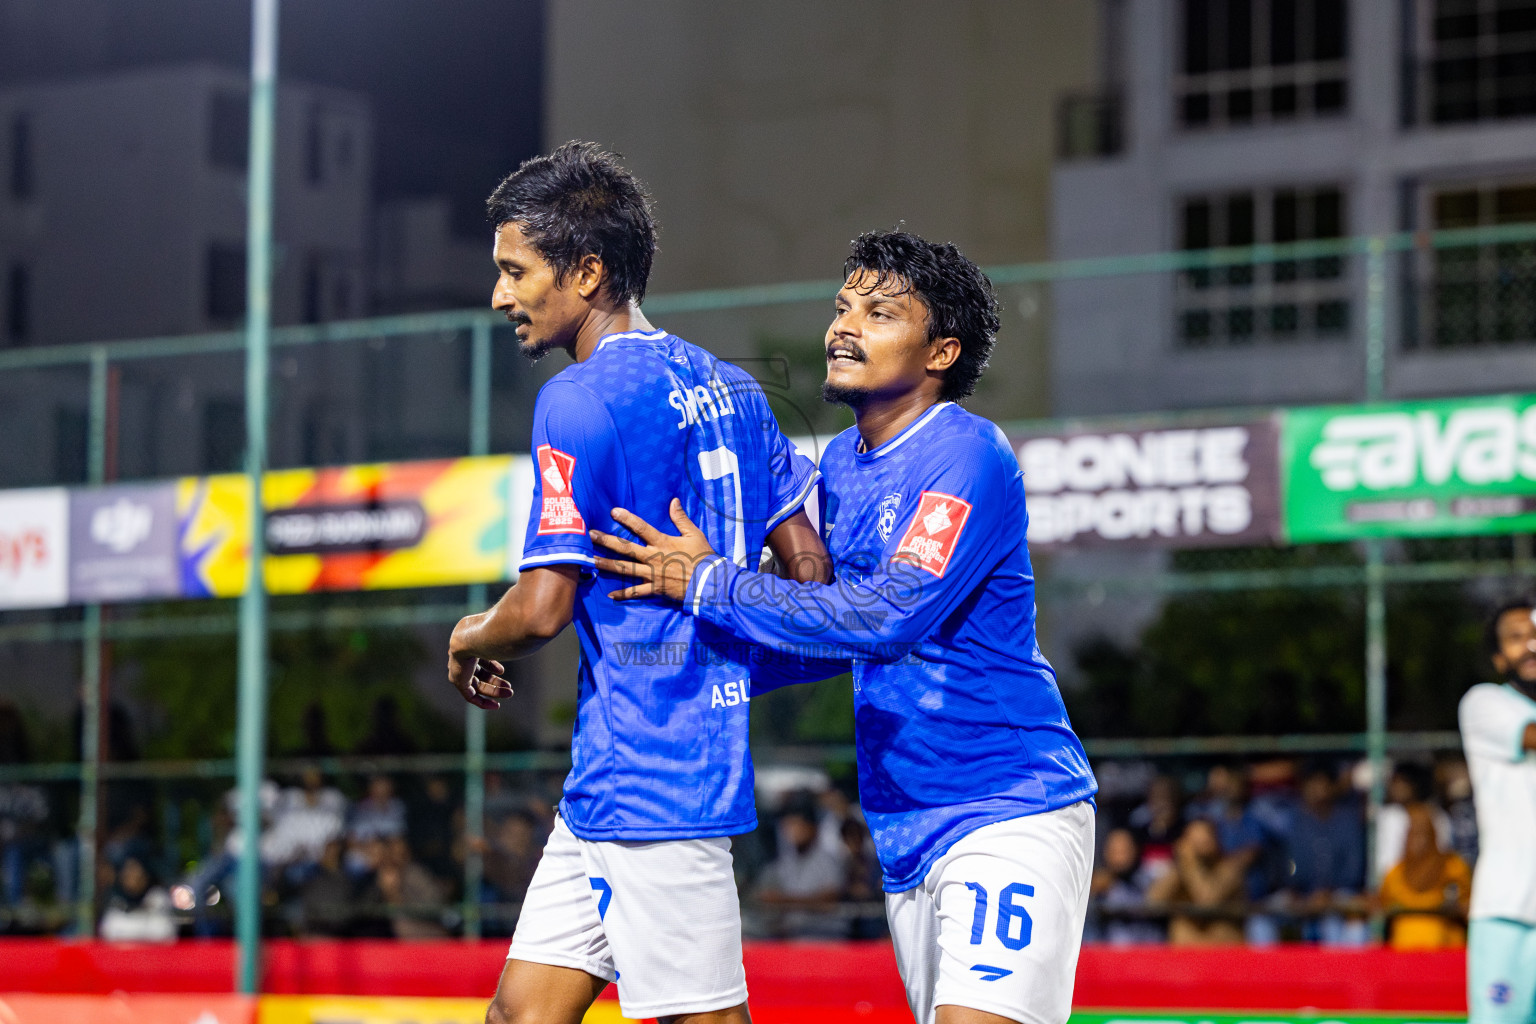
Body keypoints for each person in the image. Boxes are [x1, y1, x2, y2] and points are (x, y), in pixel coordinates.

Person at [594, 230, 1098, 1024]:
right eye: (842, 307)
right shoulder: (840, 469)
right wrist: (676, 659)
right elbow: (820, 633)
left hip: (1010, 806)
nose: (843, 325)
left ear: (941, 352)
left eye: (879, 312)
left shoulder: (968, 452)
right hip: (904, 832)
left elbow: (888, 616)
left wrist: (712, 583)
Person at [445, 141, 828, 1024]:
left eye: (516, 272)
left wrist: (468, 636)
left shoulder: (579, 399)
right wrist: (725, 622)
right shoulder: (734, 386)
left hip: (660, 781)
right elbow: (810, 574)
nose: (501, 296)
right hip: (613, 781)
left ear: (585, 272)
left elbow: (540, 610)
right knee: (518, 1016)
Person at [1460, 597, 1536, 1024]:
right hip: (1510, 910)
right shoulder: (1485, 703)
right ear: (1497, 657)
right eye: (1516, 638)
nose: (1530, 646)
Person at [1283, 766, 1367, 945]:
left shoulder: (1348, 820)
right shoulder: (1294, 820)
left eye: (1322, 783)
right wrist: (1301, 892)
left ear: (1333, 787)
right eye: (1312, 783)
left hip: (1340, 893)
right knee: (1262, 918)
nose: (1317, 789)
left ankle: (1333, 973)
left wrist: (1327, 893)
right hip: (1303, 896)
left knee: (1331, 921)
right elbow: (1289, 866)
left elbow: (1354, 870)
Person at [1377, 804, 1471, 951]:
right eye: (1413, 833)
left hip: (1443, 952)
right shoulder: (1394, 874)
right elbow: (1381, 905)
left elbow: (1467, 901)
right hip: (1403, 954)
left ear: (1433, 834)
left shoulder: (1453, 866)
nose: (1419, 840)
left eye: (1424, 833)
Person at [752, 798, 846, 939]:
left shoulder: (827, 859)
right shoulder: (786, 861)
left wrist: (784, 901)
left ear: (812, 827)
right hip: (793, 937)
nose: (792, 830)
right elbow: (765, 895)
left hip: (827, 937)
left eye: (797, 824)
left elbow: (830, 899)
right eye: (789, 825)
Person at [1144, 819, 1245, 946]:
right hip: (1187, 955)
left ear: (1215, 840)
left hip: (1222, 952)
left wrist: (1190, 865)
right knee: (1181, 924)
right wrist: (1180, 866)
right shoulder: (1181, 869)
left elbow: (1207, 903)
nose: (1198, 847)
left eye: (1204, 841)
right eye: (1193, 841)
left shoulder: (1229, 869)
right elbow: (1152, 902)